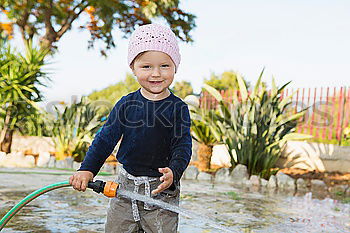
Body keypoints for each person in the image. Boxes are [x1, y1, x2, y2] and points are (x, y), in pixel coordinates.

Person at [69, 23, 192, 233]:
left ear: (175, 67)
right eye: (146, 66)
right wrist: (87, 169)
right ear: (133, 68)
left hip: (161, 190)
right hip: (125, 188)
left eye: (164, 66)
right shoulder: (126, 104)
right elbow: (105, 139)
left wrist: (174, 171)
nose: (156, 73)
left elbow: (182, 145)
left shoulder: (178, 108)